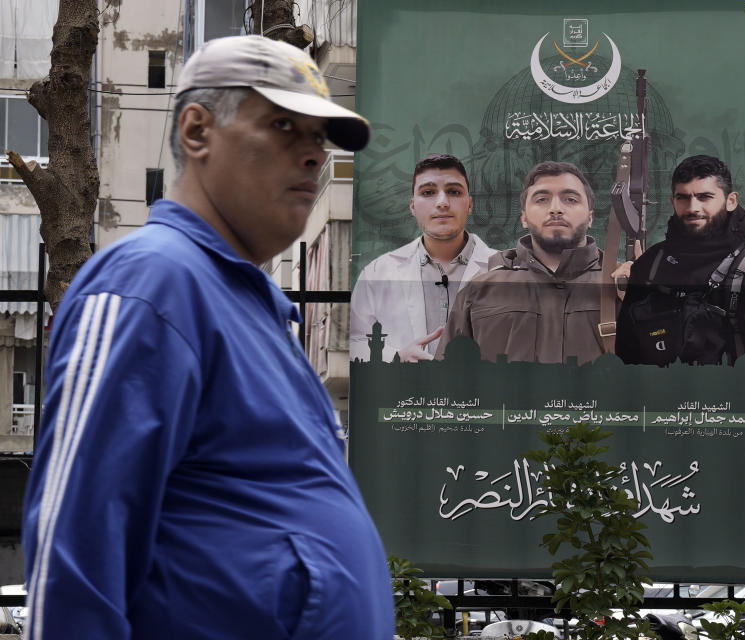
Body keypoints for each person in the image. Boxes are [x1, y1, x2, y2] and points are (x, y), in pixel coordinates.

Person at [20, 35, 394, 639]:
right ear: (197, 131)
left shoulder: (244, 304)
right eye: (282, 125)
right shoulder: (150, 284)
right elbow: (73, 559)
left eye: (318, 139)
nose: (313, 156)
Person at [616, 154, 745, 368]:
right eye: (683, 197)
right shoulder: (649, 265)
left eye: (705, 197)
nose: (693, 208)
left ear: (731, 201)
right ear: (672, 202)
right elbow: (625, 359)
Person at [436, 160, 608, 364]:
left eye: (570, 199)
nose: (555, 209)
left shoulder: (622, 286)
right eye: (542, 199)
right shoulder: (478, 292)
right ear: (524, 218)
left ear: (590, 218)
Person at [350, 154, 497, 362]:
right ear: (412, 206)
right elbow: (355, 341)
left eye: (454, 192)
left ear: (470, 204)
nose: (442, 202)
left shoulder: (504, 270)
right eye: (428, 192)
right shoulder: (377, 273)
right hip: (407, 391)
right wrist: (397, 357)